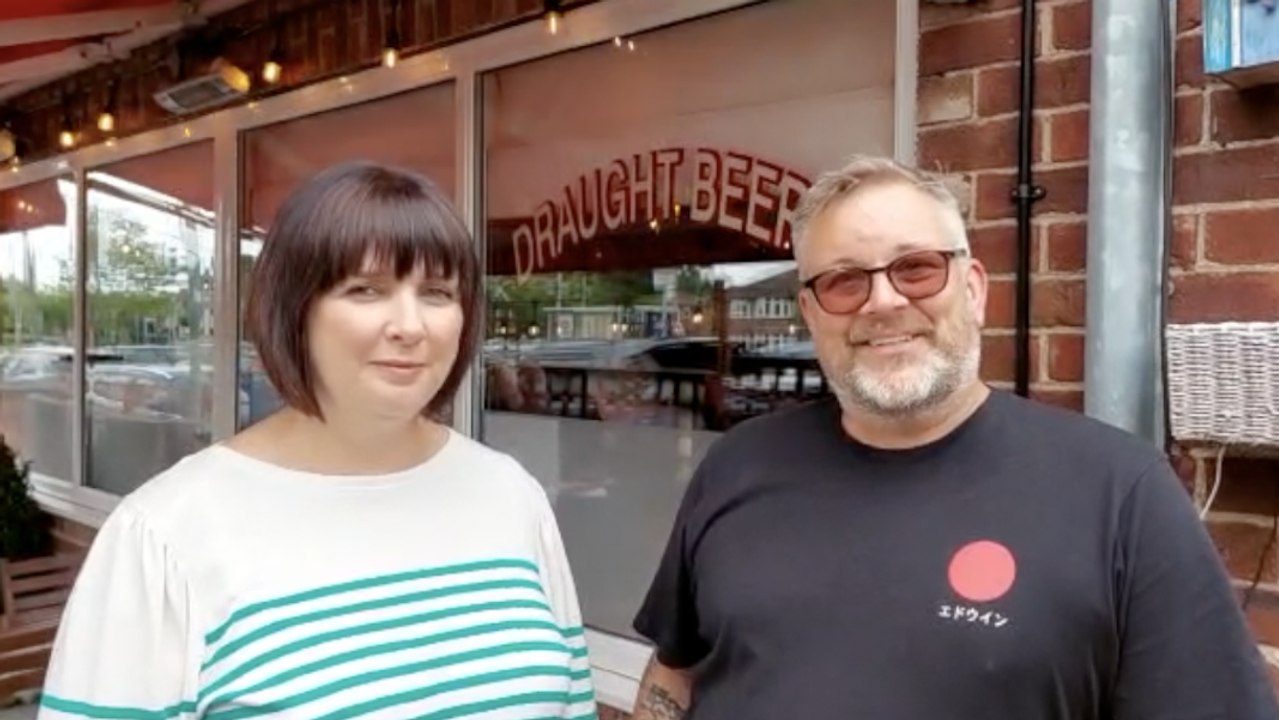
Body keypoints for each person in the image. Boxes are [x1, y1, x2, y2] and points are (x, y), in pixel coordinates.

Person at [629, 155, 1279, 719]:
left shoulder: (1120, 495)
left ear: (972, 289)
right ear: (809, 311)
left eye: (915, 269)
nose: (880, 302)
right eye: (843, 281)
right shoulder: (737, 465)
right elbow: (674, 674)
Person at [38, 162, 598, 720]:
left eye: (436, 292)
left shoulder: (510, 496)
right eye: (366, 290)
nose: (410, 325)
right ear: (293, 309)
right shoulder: (166, 534)